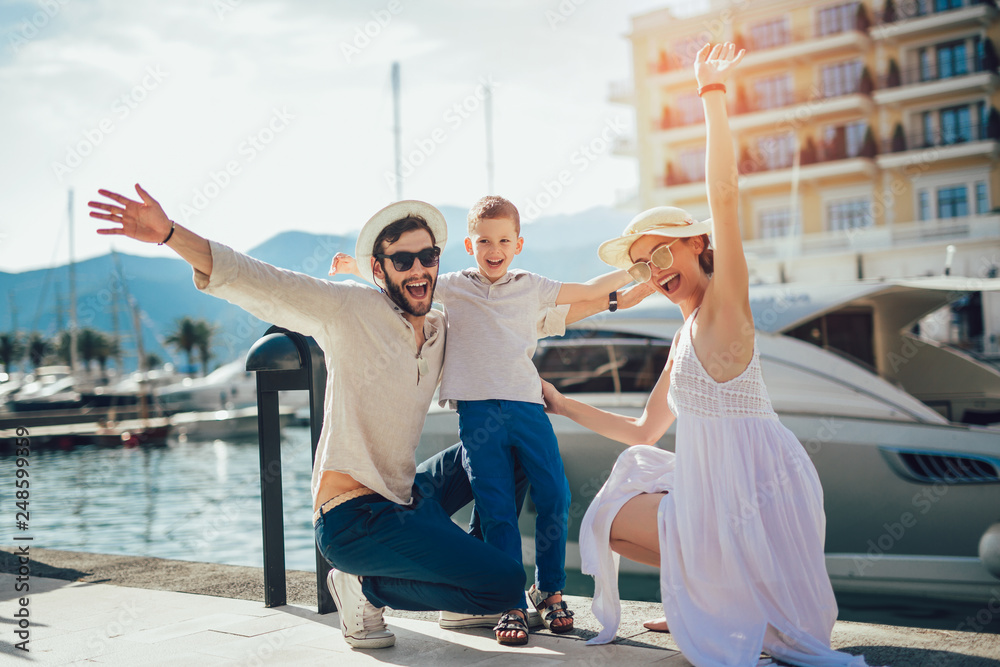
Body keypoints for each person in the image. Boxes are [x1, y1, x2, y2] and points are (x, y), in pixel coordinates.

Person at [88, 188, 643, 651]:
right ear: (379, 269)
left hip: (403, 495)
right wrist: (170, 236)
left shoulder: (444, 323)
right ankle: (366, 588)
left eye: (427, 257)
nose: (419, 269)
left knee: (513, 451)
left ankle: (461, 593)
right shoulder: (350, 311)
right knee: (503, 582)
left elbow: (520, 322)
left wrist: (626, 295)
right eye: (402, 261)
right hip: (354, 519)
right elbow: (262, 282)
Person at [540, 44, 872, 666]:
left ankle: (713, 598)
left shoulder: (724, 304)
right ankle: (707, 594)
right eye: (643, 264)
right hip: (716, 490)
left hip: (759, 486)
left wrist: (711, 94)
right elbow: (644, 428)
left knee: (631, 503)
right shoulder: (684, 334)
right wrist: (561, 404)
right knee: (609, 508)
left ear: (695, 244)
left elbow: (725, 192)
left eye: (662, 254)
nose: (654, 270)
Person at [329, 195, 634, 645]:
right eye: (485, 240)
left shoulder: (531, 286)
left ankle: (548, 591)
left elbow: (588, 290)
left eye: (504, 240)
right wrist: (359, 268)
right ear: (470, 246)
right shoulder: (452, 285)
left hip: (527, 407)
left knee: (555, 493)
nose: (495, 248)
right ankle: (509, 600)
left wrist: (636, 270)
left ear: (518, 244)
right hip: (477, 411)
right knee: (495, 506)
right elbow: (406, 281)